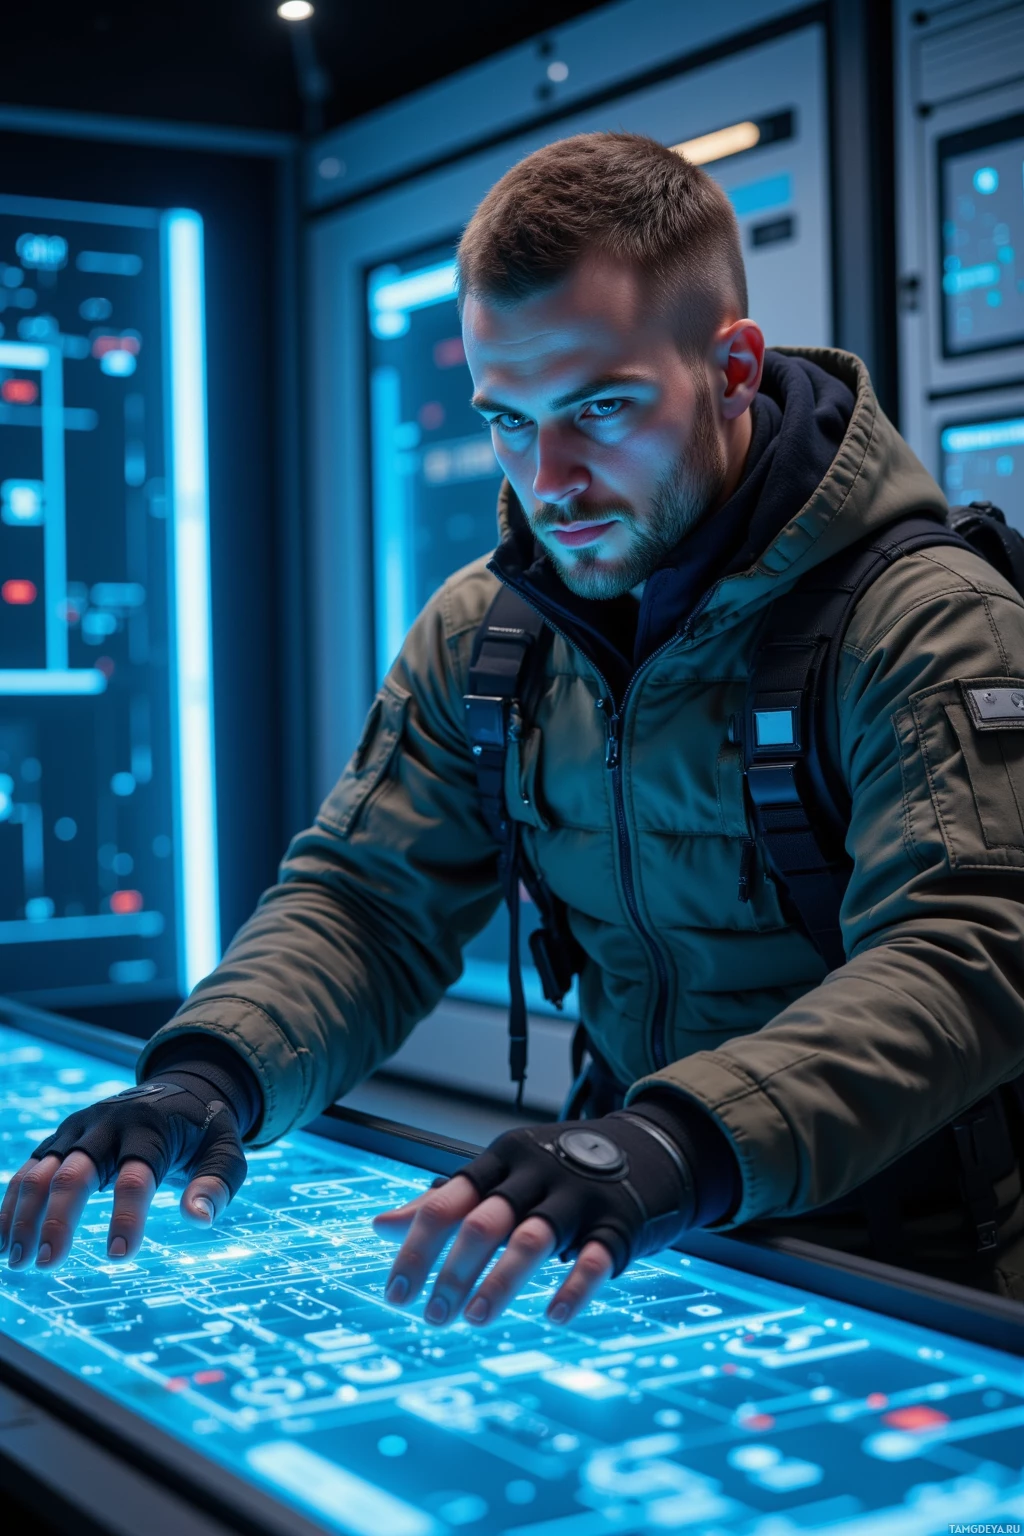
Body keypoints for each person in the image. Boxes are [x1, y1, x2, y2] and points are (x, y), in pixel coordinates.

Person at [4, 132, 1024, 1320]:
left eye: (599, 409)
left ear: (735, 367)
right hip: (647, 1221)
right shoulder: (490, 631)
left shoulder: (926, 623)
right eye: (507, 420)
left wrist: (669, 1144)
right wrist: (206, 1074)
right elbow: (367, 902)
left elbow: (968, 952)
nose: (550, 480)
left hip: (925, 1263)